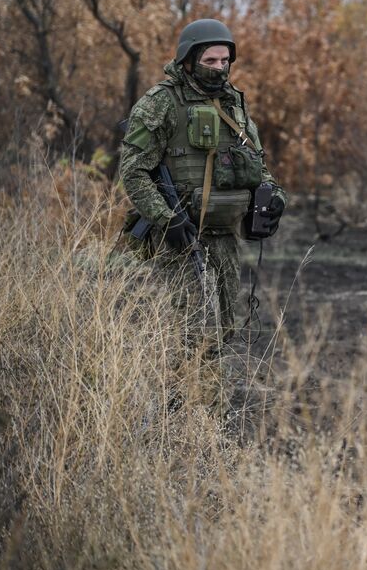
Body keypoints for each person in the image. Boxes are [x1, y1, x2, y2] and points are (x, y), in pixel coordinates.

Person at [119, 18, 285, 346]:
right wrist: (168, 221)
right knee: (189, 329)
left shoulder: (233, 103)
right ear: (189, 60)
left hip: (224, 235)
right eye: (210, 61)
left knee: (223, 331)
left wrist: (274, 197)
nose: (219, 68)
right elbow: (133, 172)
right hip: (179, 235)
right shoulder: (161, 102)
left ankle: (209, 396)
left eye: (225, 61)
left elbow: (257, 164)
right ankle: (180, 394)